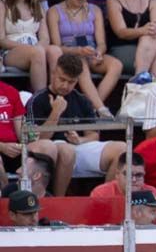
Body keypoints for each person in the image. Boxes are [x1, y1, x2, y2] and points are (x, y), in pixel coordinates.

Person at [27, 52, 126, 196]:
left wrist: (80, 140)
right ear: (54, 73)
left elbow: (93, 135)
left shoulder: (82, 100)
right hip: (52, 150)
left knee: (122, 148)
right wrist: (55, 113)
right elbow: (36, 139)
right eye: (62, 79)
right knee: (67, 151)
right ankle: (59, 202)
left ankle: (104, 199)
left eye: (71, 82)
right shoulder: (38, 99)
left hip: (78, 147)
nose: (65, 86)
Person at [46, 0, 121, 111]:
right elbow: (56, 45)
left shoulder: (95, 10)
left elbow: (101, 43)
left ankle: (91, 107)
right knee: (80, 64)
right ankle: (101, 108)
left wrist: (99, 52)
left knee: (116, 65)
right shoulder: (54, 11)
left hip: (90, 51)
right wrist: (78, 51)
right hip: (70, 53)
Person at [0, 0, 54, 92]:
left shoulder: (37, 7)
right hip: (12, 51)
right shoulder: (3, 4)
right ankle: (40, 101)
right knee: (37, 52)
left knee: (55, 51)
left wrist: (37, 47)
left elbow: (45, 38)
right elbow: (1, 39)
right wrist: (30, 48)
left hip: (35, 49)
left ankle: (56, 97)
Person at [89, 152, 156, 199]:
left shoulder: (152, 194)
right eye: (128, 175)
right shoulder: (101, 194)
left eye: (139, 175)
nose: (134, 180)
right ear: (117, 174)